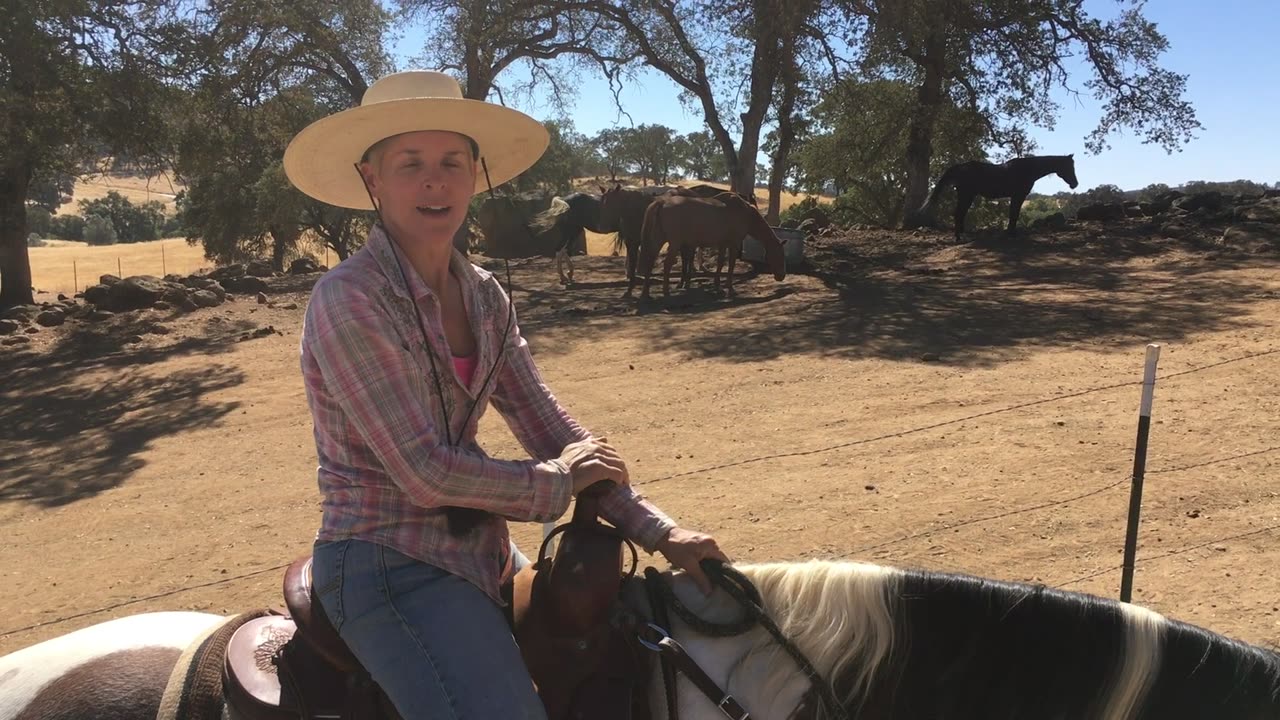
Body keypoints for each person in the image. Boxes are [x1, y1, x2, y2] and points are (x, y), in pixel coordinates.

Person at [283, 70, 729, 719]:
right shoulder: (350, 300)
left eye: (451, 162)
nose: (434, 180)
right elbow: (425, 471)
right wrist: (558, 485)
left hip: (481, 551)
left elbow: (546, 422)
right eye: (410, 163)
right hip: (389, 562)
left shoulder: (486, 296)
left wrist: (662, 532)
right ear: (372, 178)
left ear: (474, 175)